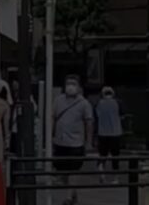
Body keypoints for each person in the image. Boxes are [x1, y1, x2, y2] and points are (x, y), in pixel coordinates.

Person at [53, 75, 94, 205]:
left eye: (73, 83)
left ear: (79, 87)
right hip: (60, 141)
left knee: (74, 169)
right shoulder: (58, 100)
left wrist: (88, 142)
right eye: (68, 83)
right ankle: (72, 192)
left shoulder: (84, 103)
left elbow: (89, 123)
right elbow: (53, 117)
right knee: (62, 172)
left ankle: (68, 197)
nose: (70, 86)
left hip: (76, 142)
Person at [95, 86, 123, 184]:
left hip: (102, 133)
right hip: (115, 133)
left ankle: (101, 172)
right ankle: (115, 178)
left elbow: (96, 116)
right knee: (115, 156)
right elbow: (122, 115)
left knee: (102, 155)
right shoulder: (118, 103)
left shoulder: (99, 103)